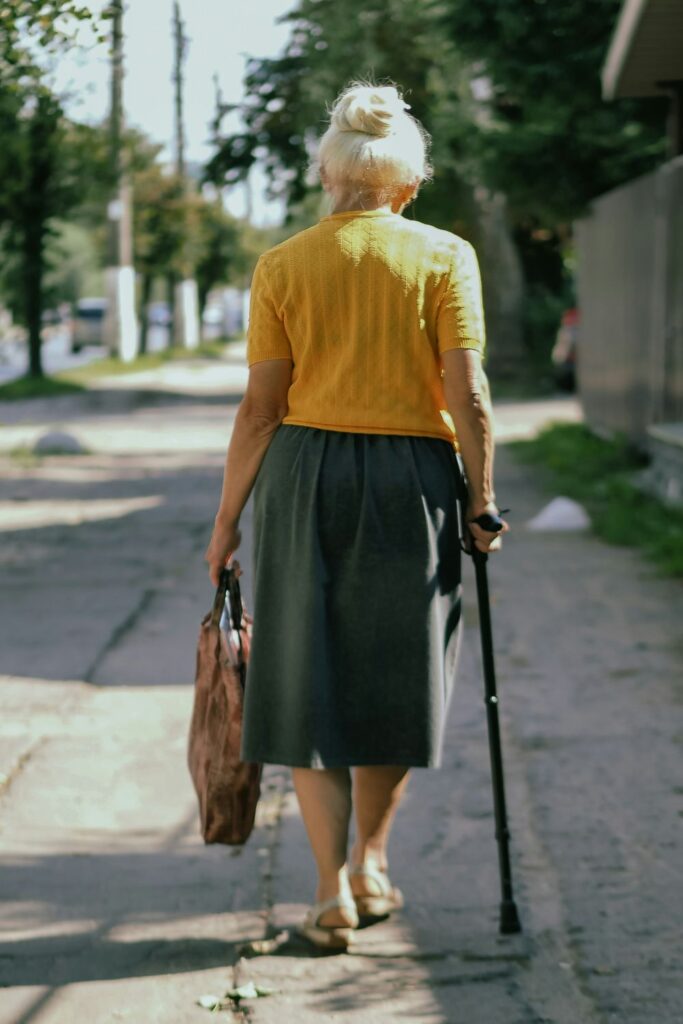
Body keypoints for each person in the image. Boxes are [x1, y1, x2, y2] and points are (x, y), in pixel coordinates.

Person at [205, 79, 508, 951]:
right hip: (413, 480)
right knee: (398, 676)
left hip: (304, 480)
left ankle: (334, 884)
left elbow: (260, 410)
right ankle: (372, 859)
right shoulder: (443, 255)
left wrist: (226, 525)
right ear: (405, 186)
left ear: (328, 180)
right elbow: (469, 391)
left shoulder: (283, 265)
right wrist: (481, 501)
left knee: (305, 679)